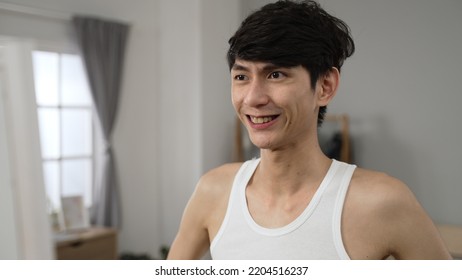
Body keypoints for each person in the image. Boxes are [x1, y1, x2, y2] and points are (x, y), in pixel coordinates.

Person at [167, 0, 451, 260]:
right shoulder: (213, 191)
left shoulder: (382, 202)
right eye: (241, 76)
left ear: (325, 87)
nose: (253, 98)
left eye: (275, 74)